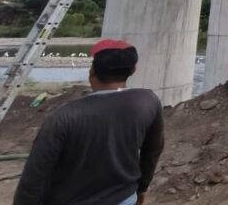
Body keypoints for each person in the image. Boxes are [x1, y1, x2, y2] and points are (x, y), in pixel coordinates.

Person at [14, 39, 164, 205]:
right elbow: (153, 151)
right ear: (133, 70)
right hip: (125, 198)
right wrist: (141, 187)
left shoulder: (64, 116)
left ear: (92, 71)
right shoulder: (148, 101)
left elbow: (34, 176)